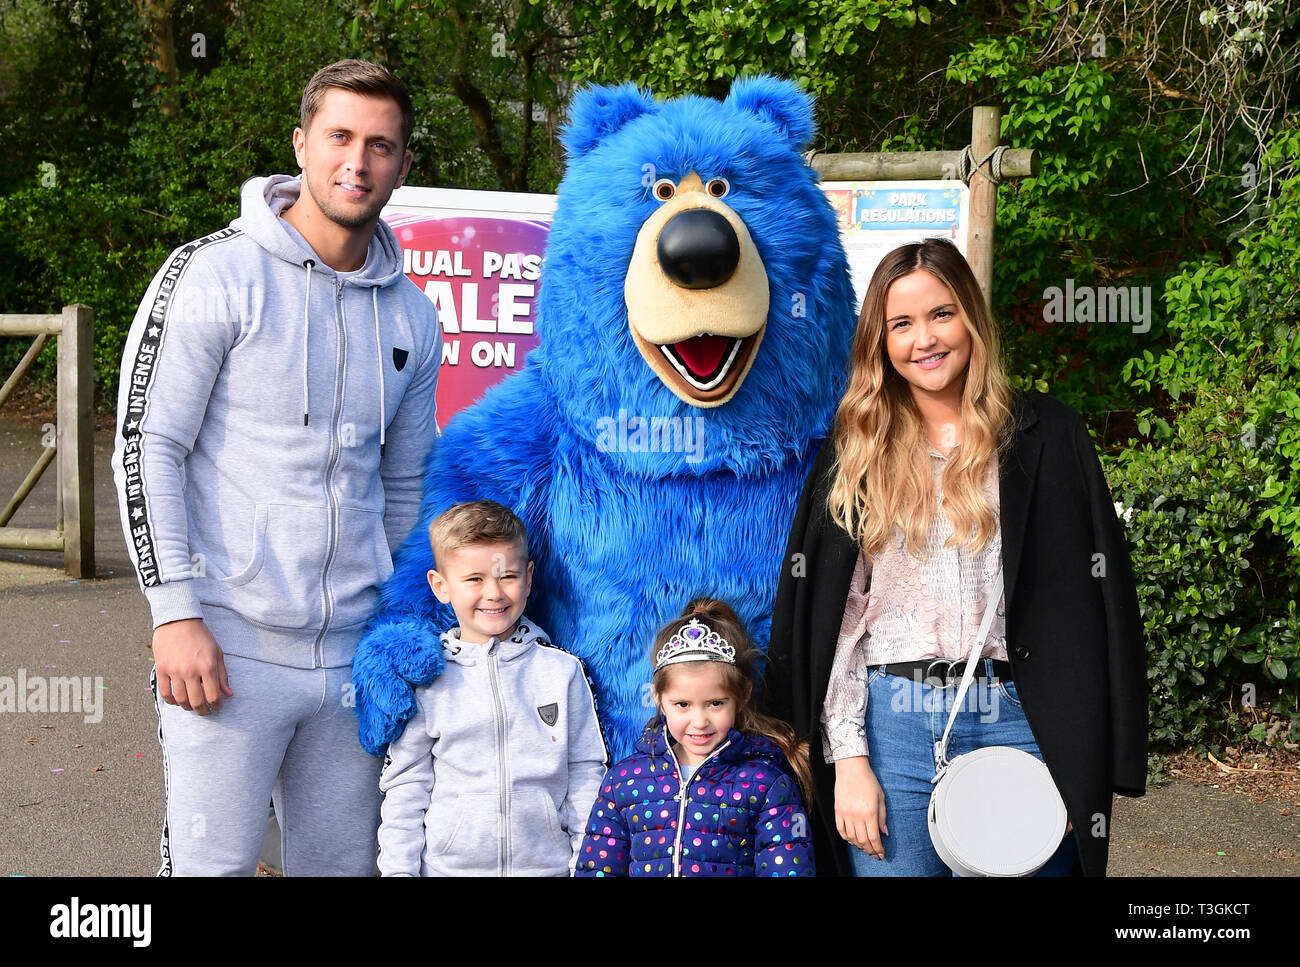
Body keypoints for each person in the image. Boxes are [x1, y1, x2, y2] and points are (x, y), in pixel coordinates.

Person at [111, 59, 442, 876]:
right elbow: (146, 447)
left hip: (353, 660)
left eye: (380, 145)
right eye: (338, 137)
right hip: (226, 647)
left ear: (402, 164)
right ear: (300, 144)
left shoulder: (412, 312)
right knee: (208, 868)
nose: (355, 163)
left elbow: (404, 487)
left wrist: (402, 625)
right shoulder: (213, 273)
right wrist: (174, 614)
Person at [763, 238, 1146, 877]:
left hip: (1025, 724)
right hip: (892, 732)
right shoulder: (854, 449)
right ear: (879, 341)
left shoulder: (1048, 435)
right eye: (902, 324)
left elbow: (1098, 606)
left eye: (942, 313)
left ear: (971, 315)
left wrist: (1083, 763)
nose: (925, 339)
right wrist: (849, 761)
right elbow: (840, 621)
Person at [376, 500, 607, 876]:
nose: (494, 593)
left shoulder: (562, 672)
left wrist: (589, 866)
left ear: (529, 578)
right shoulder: (426, 680)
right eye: (474, 579)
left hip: (547, 868)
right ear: (441, 586)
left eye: (507, 576)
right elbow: (407, 785)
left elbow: (585, 775)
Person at [576, 598, 816, 876]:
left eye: (715, 703)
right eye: (682, 705)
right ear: (659, 698)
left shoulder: (767, 784)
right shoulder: (624, 782)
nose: (700, 722)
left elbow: (789, 871)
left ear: (743, 695)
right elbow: (597, 869)